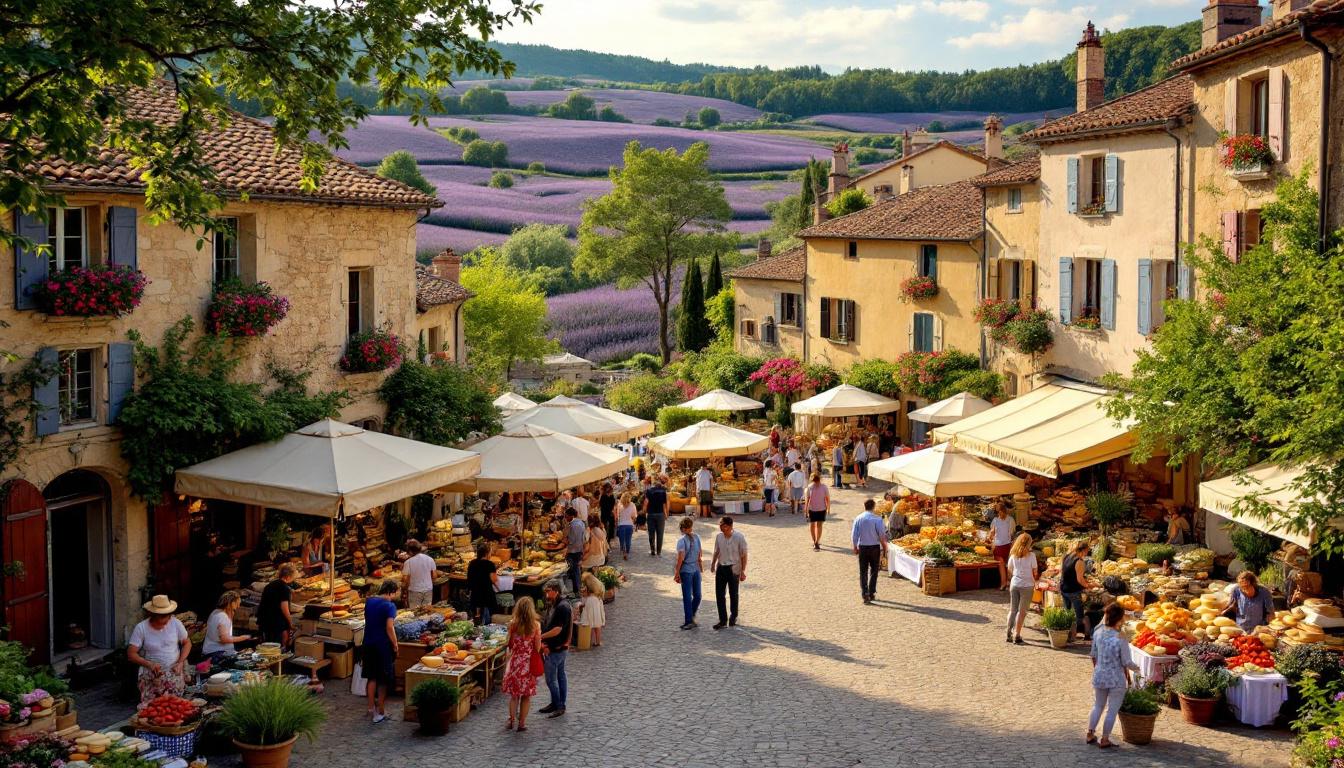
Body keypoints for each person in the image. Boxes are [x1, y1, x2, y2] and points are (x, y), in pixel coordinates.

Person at [1088, 602, 1137, 748]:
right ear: (1120, 619)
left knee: (1098, 705)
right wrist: (1138, 669)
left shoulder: (1097, 632)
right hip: (1116, 678)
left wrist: (1099, 669)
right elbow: (1127, 661)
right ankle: (1105, 738)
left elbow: (1093, 655)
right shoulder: (1120, 637)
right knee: (1112, 709)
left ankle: (1090, 733)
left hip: (1100, 675)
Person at [127, 594, 191, 704]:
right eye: (161, 616)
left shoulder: (176, 623)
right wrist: (149, 664)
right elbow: (131, 654)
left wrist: (180, 662)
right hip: (152, 676)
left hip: (173, 674)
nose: (165, 619)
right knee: (153, 709)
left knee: (174, 707)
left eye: (167, 616)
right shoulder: (141, 628)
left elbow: (187, 643)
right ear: (152, 614)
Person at [501, 596, 542, 732]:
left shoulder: (513, 624)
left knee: (514, 696)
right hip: (528, 664)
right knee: (526, 696)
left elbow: (510, 644)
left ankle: (511, 720)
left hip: (515, 663)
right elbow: (537, 647)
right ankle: (522, 723)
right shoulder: (536, 626)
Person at [361, 579, 400, 723]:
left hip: (368, 643)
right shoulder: (390, 606)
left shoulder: (369, 602)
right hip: (382, 646)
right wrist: (395, 644)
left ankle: (370, 708)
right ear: (391, 592)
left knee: (371, 677)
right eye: (396, 592)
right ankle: (381, 711)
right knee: (383, 679)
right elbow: (390, 627)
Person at [537, 579, 573, 718]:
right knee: (560, 676)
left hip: (557, 648)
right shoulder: (558, 604)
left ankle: (559, 705)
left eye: (548, 591)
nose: (546, 594)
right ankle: (557, 703)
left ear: (555, 591)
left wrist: (541, 637)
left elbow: (557, 629)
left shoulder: (561, 607)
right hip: (559, 646)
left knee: (551, 679)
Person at [711, 516, 748, 630]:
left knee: (733, 593)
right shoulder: (719, 537)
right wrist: (713, 563)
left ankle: (733, 616)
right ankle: (722, 620)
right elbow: (717, 551)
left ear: (730, 526)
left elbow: (744, 555)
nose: (721, 527)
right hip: (721, 568)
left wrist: (742, 571)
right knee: (720, 594)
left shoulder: (739, 537)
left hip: (734, 568)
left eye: (723, 525)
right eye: (720, 525)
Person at [851, 499, 889, 604]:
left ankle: (865, 593)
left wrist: (855, 546)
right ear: (873, 507)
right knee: (874, 570)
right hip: (874, 547)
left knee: (863, 571)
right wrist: (885, 547)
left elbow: (854, 534)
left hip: (863, 547)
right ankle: (871, 592)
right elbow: (882, 535)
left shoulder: (858, 518)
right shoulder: (877, 519)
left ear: (865, 506)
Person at [1060, 541, 1099, 642]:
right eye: (1088, 550)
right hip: (1073, 590)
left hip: (1064, 588)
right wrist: (1090, 585)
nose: (1088, 552)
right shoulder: (1079, 562)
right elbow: (1080, 580)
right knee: (1079, 614)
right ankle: (1084, 635)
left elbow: (1064, 572)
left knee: (1067, 612)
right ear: (1084, 550)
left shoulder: (1066, 556)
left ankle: (1067, 634)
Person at [1005, 533, 1039, 645]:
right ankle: (1017, 634)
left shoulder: (1013, 555)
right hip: (1027, 585)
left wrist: (1017, 574)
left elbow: (1009, 569)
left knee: (1013, 609)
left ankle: (1008, 632)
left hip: (1015, 583)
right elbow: (1035, 572)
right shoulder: (1031, 556)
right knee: (1022, 611)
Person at [202, 590, 251, 659]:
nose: (238, 606)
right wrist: (243, 637)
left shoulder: (216, 612)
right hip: (217, 652)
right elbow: (224, 639)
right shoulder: (222, 616)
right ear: (231, 603)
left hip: (213, 650)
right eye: (237, 604)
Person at [674, 516, 703, 630]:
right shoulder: (696, 537)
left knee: (688, 596)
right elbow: (699, 554)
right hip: (694, 569)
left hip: (687, 569)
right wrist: (700, 567)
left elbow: (680, 558)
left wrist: (677, 573)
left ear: (682, 528)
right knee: (697, 595)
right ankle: (690, 618)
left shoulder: (682, 541)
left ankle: (689, 619)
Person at [257, 564, 297, 647]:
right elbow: (284, 608)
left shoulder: (270, 585)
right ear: (289, 576)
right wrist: (290, 622)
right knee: (278, 646)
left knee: (267, 646)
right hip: (277, 622)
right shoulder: (284, 588)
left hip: (265, 620)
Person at [466, 542, 499, 626]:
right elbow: (494, 580)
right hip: (486, 595)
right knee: (487, 619)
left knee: (476, 618)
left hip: (475, 594)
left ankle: (477, 622)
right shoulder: (490, 564)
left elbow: (469, 577)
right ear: (487, 553)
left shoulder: (472, 563)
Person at [401, 538, 437, 609]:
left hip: (414, 592)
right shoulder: (430, 559)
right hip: (428, 590)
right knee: (427, 612)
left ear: (410, 551)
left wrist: (404, 590)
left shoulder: (408, 562)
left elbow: (405, 580)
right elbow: (434, 576)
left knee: (415, 614)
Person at [989, 507, 1016, 591]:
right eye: (998, 513)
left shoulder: (1010, 520)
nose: (1000, 514)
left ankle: (1006, 583)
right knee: (1001, 564)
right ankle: (1004, 583)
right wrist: (990, 536)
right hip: (998, 545)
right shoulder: (995, 520)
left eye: (1001, 512)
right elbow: (992, 532)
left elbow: (1012, 533)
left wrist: (1012, 544)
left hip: (1006, 544)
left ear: (1005, 511)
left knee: (1006, 564)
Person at [577, 572, 606, 647]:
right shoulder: (596, 582)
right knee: (597, 623)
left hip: (590, 601)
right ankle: (598, 641)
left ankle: (588, 641)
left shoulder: (587, 584)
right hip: (597, 601)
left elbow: (585, 595)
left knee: (589, 622)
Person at [642, 476, 668, 556]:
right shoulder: (663, 491)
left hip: (651, 514)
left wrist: (644, 511)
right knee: (660, 533)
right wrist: (666, 514)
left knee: (651, 533)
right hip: (660, 514)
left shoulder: (649, 491)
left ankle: (652, 550)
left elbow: (646, 502)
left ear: (653, 483)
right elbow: (664, 504)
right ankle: (659, 551)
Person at [806, 472, 830, 552]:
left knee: (813, 525)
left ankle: (815, 542)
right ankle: (816, 541)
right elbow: (827, 499)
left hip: (813, 509)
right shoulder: (824, 487)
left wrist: (806, 510)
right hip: (821, 509)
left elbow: (807, 500)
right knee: (818, 526)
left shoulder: (809, 487)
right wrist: (828, 508)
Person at [565, 508, 586, 594]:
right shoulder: (581, 522)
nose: (566, 518)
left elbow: (572, 540)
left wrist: (565, 541)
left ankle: (576, 590)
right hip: (580, 549)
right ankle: (578, 588)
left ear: (571, 516)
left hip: (573, 551)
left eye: (566, 516)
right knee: (577, 570)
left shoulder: (573, 525)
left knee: (574, 571)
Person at [615, 492, 637, 561]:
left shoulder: (619, 505)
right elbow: (634, 516)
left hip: (621, 525)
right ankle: (627, 552)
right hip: (629, 525)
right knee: (628, 540)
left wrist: (617, 523)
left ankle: (623, 550)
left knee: (622, 540)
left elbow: (617, 515)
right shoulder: (632, 505)